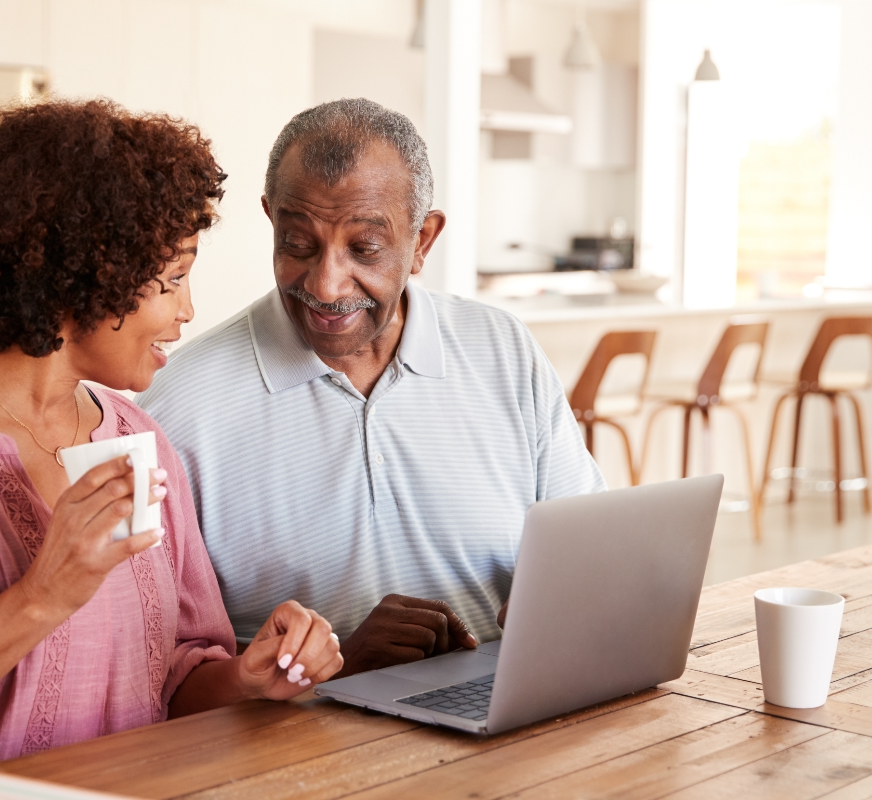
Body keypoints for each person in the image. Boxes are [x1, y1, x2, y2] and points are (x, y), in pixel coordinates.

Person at [0, 99, 342, 795]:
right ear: (83, 273)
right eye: (170, 279)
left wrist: (245, 678)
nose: (187, 310)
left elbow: (171, 681)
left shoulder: (138, 440)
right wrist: (41, 597)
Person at [138, 98, 605, 677]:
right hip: (299, 750)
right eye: (298, 244)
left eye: (365, 249)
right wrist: (334, 665)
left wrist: (558, 602)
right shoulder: (178, 408)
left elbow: (588, 549)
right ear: (271, 221)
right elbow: (157, 669)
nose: (328, 286)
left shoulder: (503, 351)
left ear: (423, 241)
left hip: (506, 715)